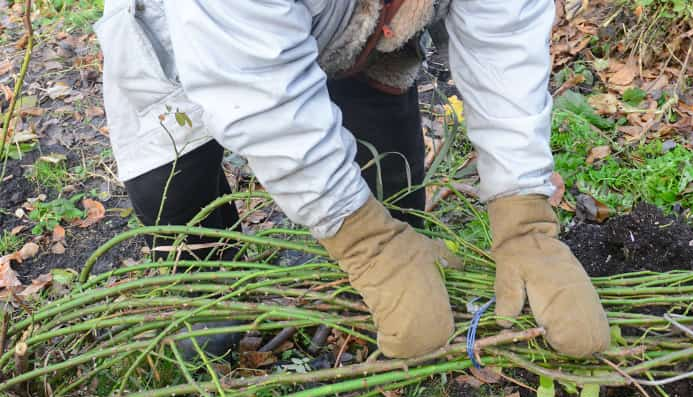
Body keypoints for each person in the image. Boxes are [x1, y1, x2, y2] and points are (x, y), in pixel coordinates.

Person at [95, 0, 610, 359]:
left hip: (363, 33)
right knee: (182, 213)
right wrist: (365, 241)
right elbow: (255, 92)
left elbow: (505, 45)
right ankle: (214, 305)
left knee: (395, 191)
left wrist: (524, 218)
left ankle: (348, 289)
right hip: (179, 39)